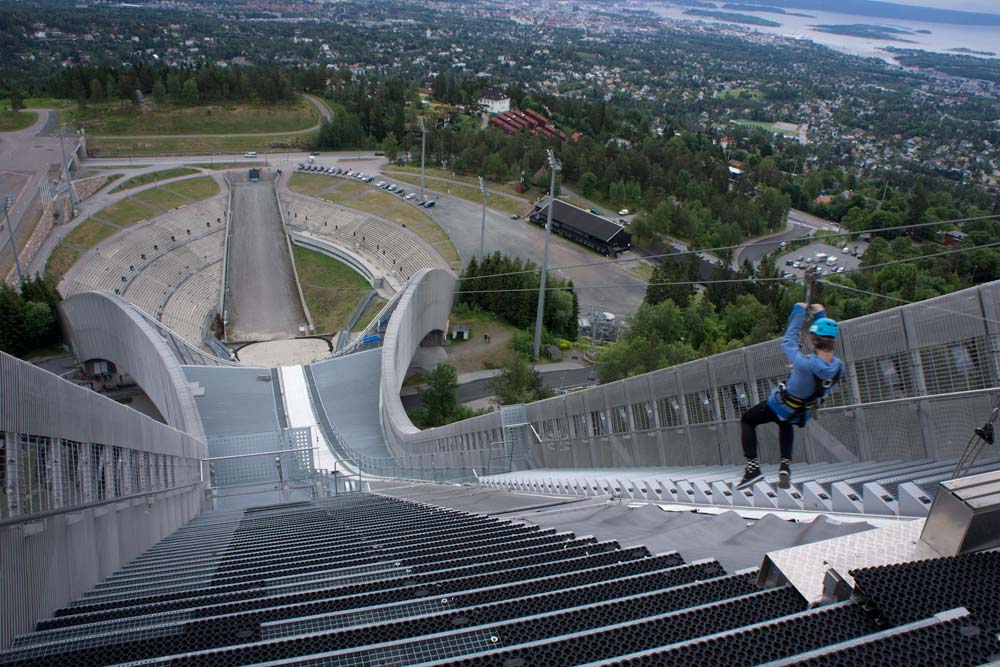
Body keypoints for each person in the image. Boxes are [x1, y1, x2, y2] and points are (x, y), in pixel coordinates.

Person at [736, 302, 845, 491]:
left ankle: (752, 469)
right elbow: (818, 363)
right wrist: (821, 314)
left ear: (814, 341)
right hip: (801, 412)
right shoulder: (838, 368)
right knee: (784, 423)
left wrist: (798, 312)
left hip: (780, 405)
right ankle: (785, 465)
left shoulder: (804, 364)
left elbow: (788, 341)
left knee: (748, 420)